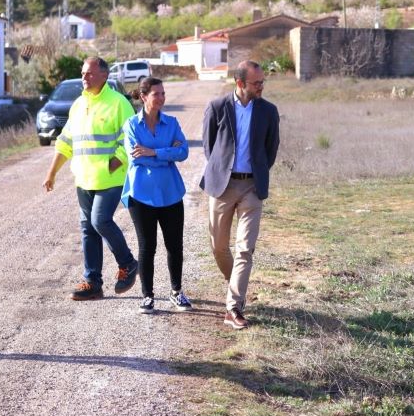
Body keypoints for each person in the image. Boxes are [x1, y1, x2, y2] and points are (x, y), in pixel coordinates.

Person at [43, 56, 138, 301]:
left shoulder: (118, 103)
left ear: (104, 76)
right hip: (83, 179)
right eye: (83, 73)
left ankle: (127, 263)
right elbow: (65, 142)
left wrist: (113, 163)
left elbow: (128, 139)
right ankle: (92, 282)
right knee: (88, 228)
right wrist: (52, 173)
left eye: (90, 74)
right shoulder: (78, 105)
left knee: (100, 221)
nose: (84, 77)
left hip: (110, 178)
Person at [201, 60, 280, 329]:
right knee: (219, 248)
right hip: (222, 186)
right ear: (240, 83)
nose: (261, 86)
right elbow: (209, 148)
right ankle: (237, 283)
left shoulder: (269, 111)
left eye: (262, 82)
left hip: (252, 188)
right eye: (256, 83)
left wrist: (255, 174)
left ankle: (233, 307)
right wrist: (224, 171)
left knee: (245, 249)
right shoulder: (217, 107)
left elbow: (271, 150)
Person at [121, 77, 192, 314]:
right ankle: (147, 296)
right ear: (143, 97)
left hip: (171, 193)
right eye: (156, 94)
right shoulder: (131, 124)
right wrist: (166, 153)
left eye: (163, 93)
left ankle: (176, 292)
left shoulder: (172, 123)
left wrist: (153, 151)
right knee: (146, 246)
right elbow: (134, 157)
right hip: (141, 194)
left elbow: (183, 152)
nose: (161, 98)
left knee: (175, 246)